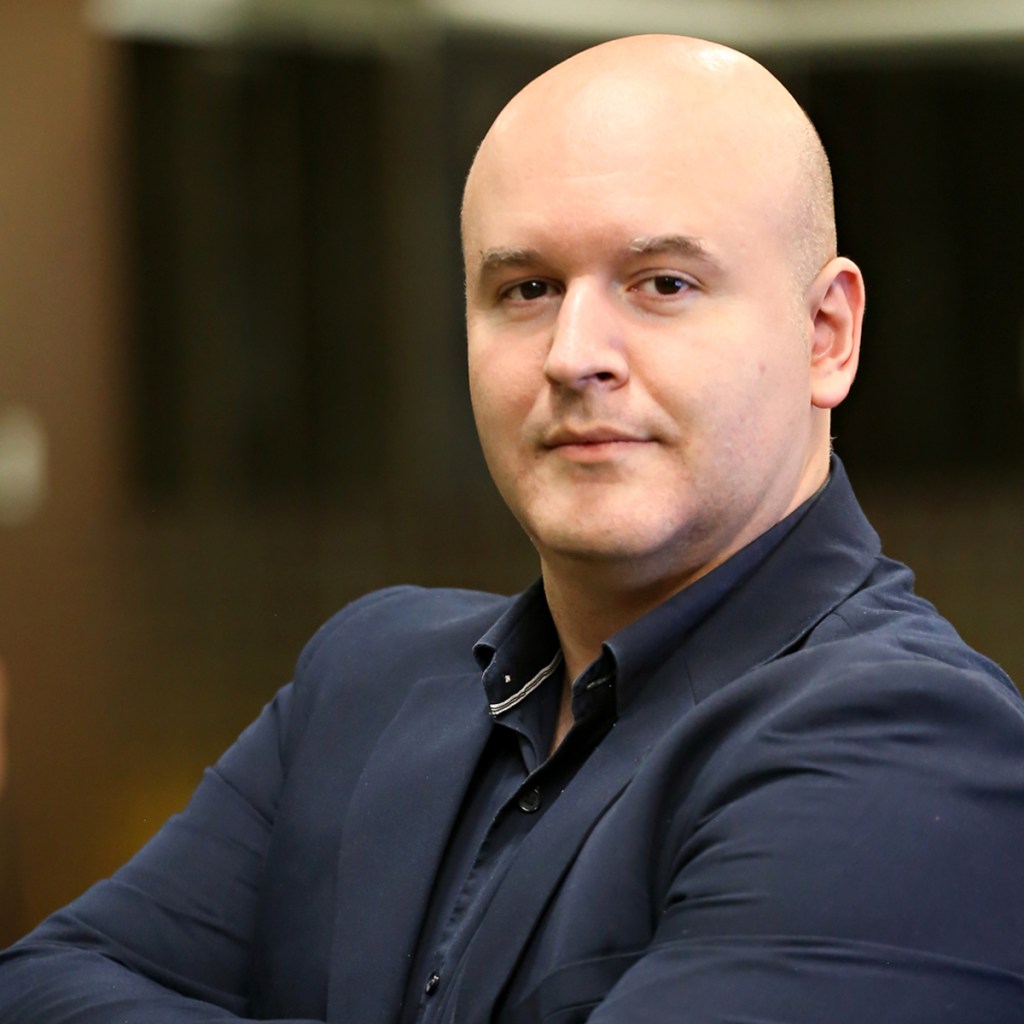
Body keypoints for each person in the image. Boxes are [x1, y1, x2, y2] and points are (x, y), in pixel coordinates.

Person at [2, 33, 1023, 1023]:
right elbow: (43, 983)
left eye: (662, 284)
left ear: (826, 335)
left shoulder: (910, 746)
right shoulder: (364, 683)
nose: (574, 355)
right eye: (525, 289)